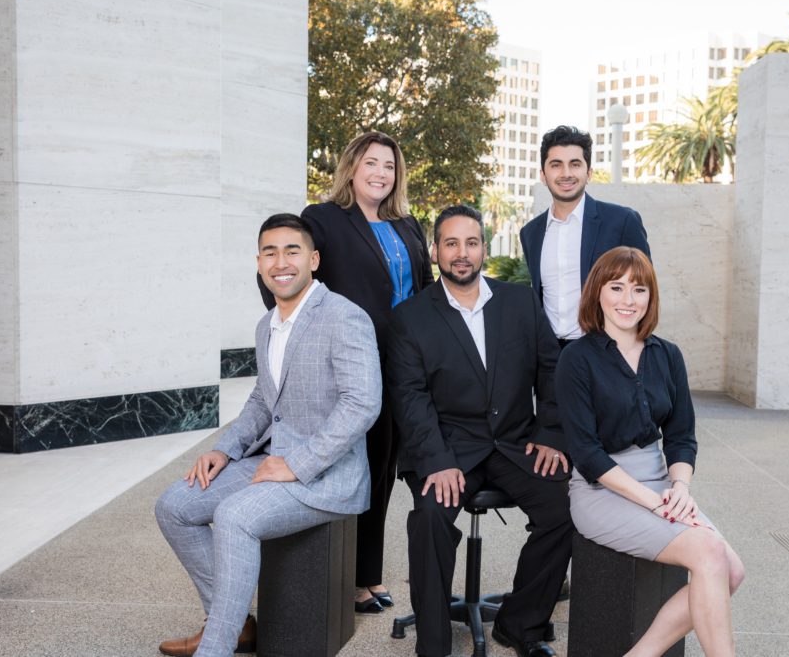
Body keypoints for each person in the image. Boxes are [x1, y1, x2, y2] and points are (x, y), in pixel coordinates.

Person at [155, 214, 382, 657]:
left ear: (313, 259)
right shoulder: (267, 325)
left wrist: (296, 464)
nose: (281, 261)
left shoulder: (344, 317)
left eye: (292, 250)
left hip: (324, 475)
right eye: (270, 252)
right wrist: (225, 449)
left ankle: (215, 648)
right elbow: (264, 399)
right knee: (175, 504)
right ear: (259, 263)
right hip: (271, 459)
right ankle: (237, 624)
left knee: (236, 516)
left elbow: (362, 404)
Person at [258, 131, 434, 613]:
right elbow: (286, 276)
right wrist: (303, 338)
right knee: (357, 464)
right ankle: (350, 578)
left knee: (383, 468)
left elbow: (423, 288)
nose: (381, 174)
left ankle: (369, 574)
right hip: (356, 363)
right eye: (371, 163)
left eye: (390, 166)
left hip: (405, 363)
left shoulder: (408, 223)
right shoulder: (324, 219)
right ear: (352, 167)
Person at [387, 205, 573, 657]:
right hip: (447, 449)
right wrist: (437, 462)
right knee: (430, 517)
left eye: (471, 243)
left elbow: (553, 373)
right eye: (450, 243)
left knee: (566, 508)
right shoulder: (409, 317)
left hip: (514, 443)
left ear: (485, 248)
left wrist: (549, 434)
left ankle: (519, 624)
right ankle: (434, 645)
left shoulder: (521, 301)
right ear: (435, 251)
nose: (461, 253)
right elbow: (410, 399)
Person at [556, 246, 745, 657]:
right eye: (617, 287)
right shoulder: (576, 359)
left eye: (639, 289)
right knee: (709, 551)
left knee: (732, 571)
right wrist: (655, 504)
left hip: (661, 481)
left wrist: (679, 488)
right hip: (601, 490)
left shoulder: (667, 355)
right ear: (597, 293)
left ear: (650, 297)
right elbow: (587, 454)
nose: (628, 300)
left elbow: (681, 435)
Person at [519, 125, 651, 351]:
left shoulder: (622, 221)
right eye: (556, 165)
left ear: (588, 174)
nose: (566, 173)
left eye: (575, 164)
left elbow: (644, 291)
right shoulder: (530, 232)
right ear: (543, 175)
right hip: (549, 359)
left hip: (606, 352)